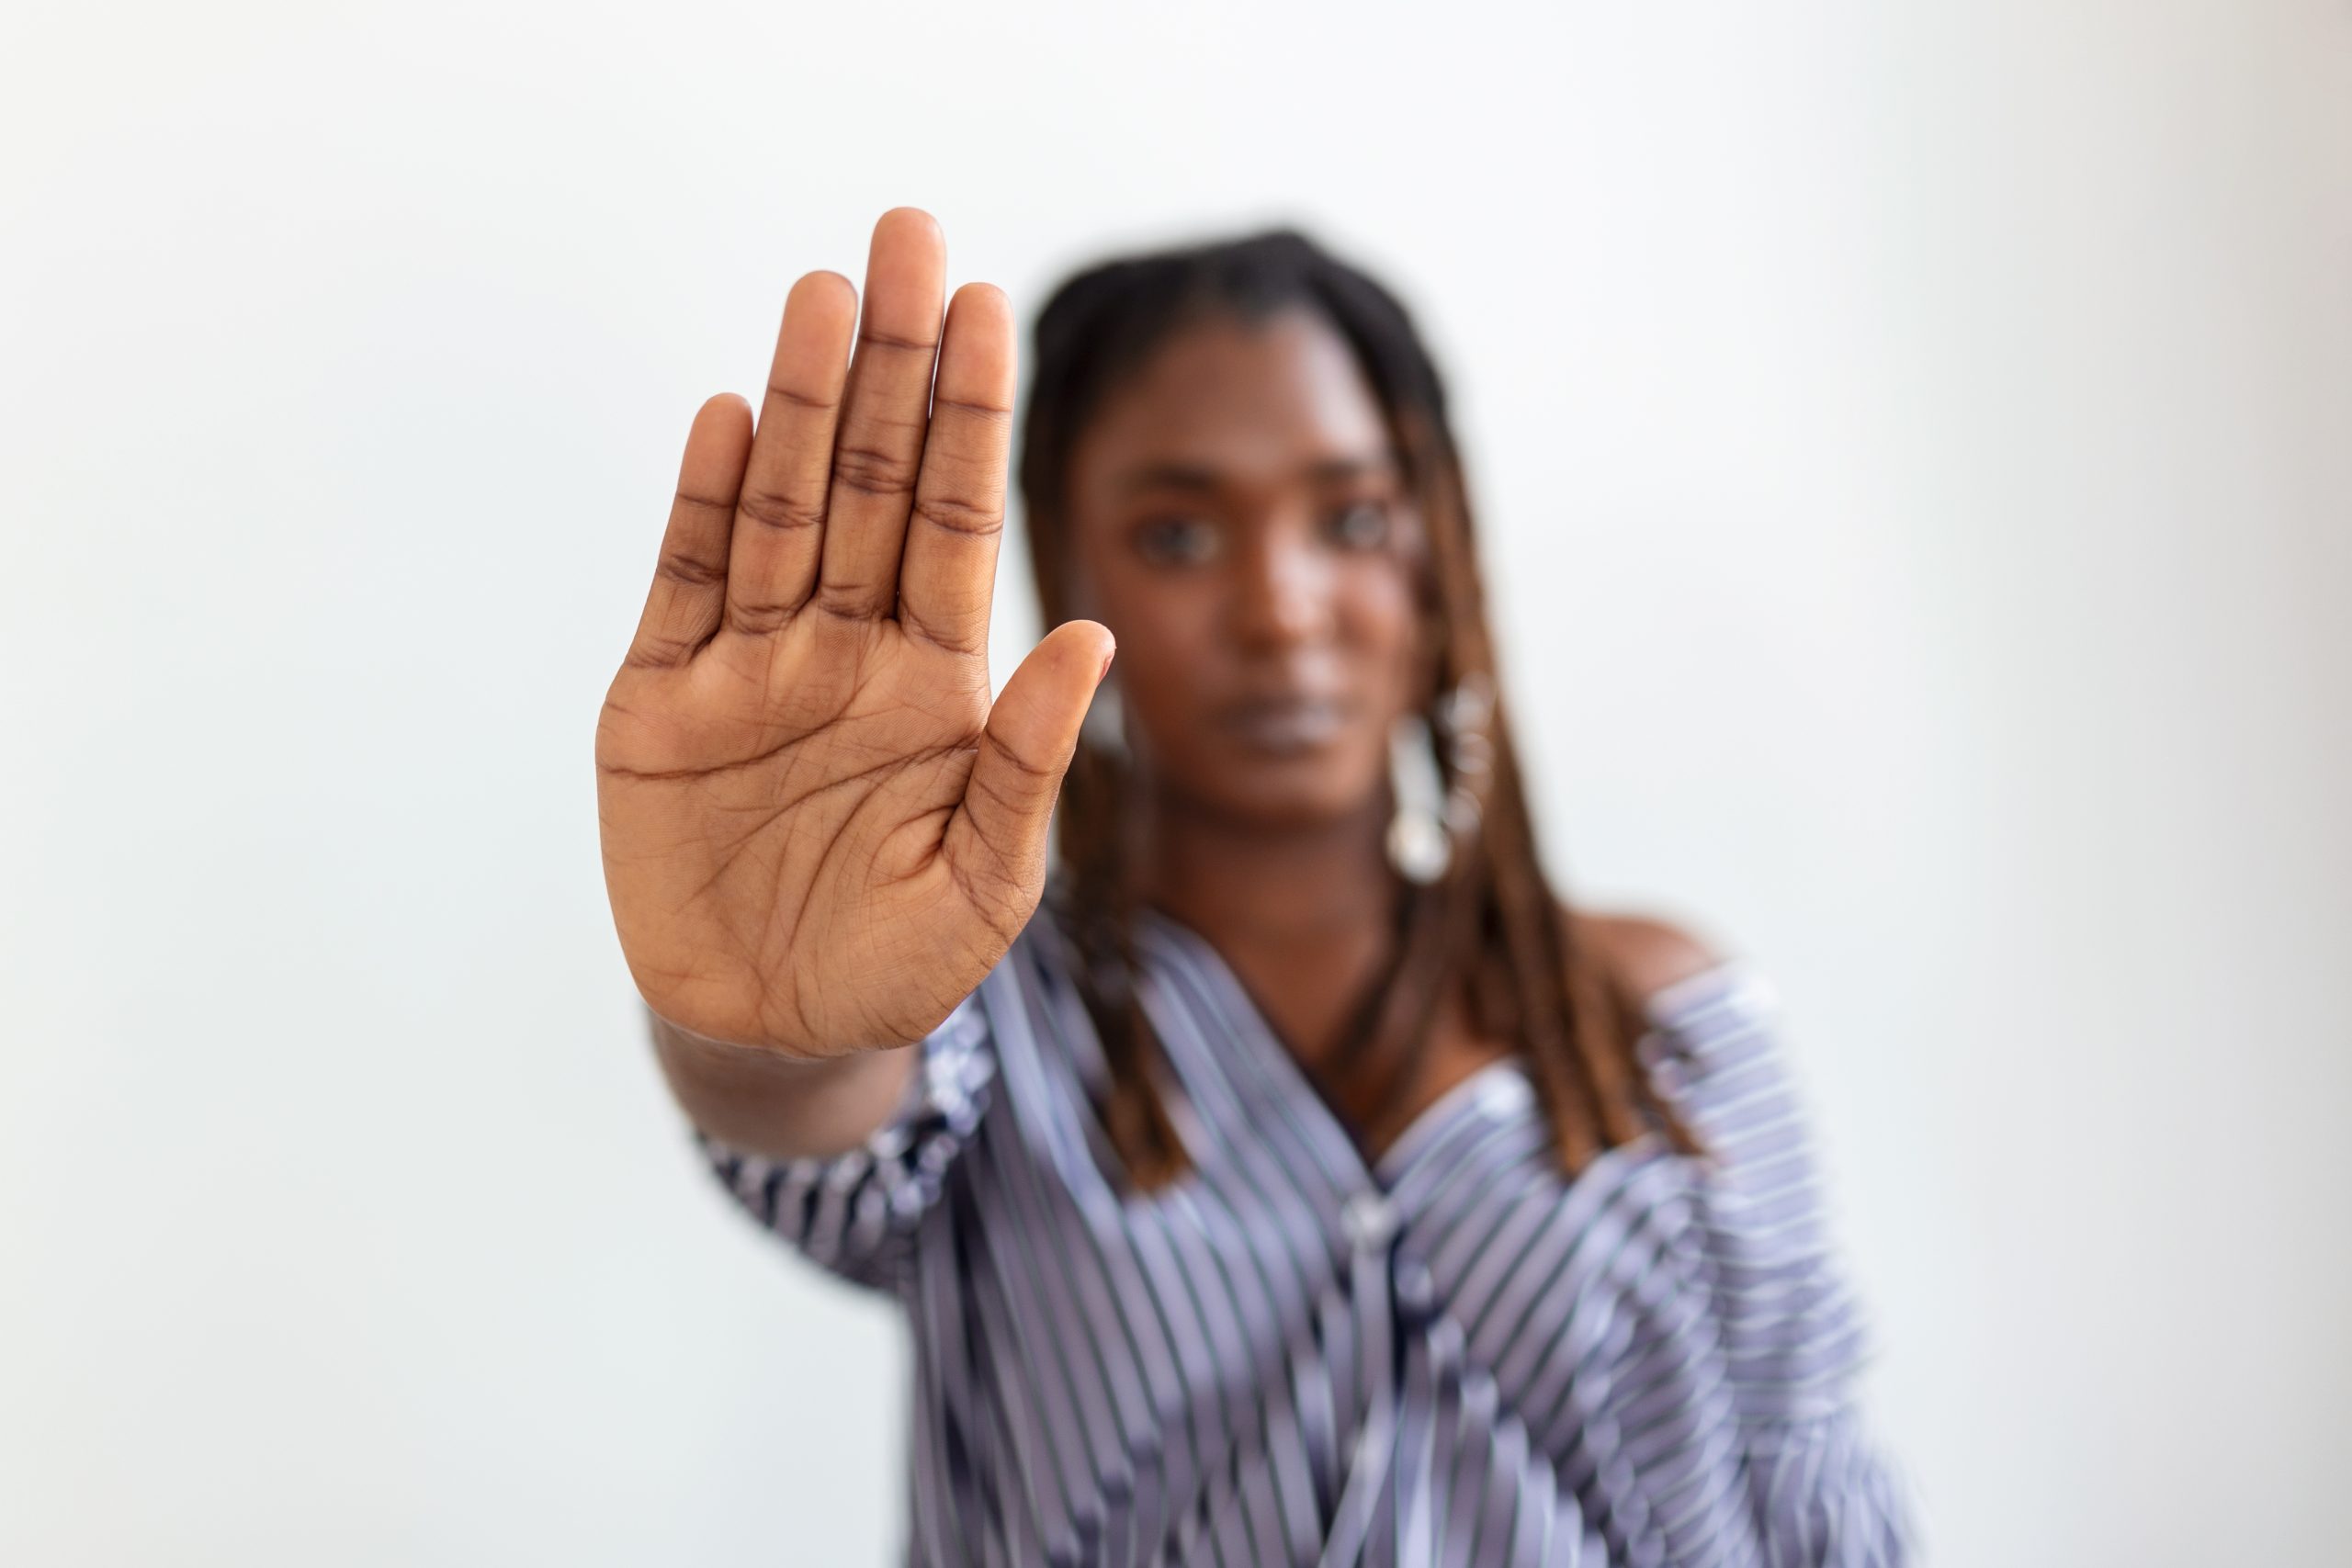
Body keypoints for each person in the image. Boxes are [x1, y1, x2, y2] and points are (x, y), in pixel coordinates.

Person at [594, 207, 1912, 1566]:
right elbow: (811, 1099)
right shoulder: (989, 1018)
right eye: (1177, 537)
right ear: (1070, 563)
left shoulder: (1659, 1021)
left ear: (1438, 553)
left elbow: (1812, 1493)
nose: (1282, 607)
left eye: (1351, 519)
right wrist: (759, 1022)